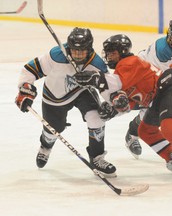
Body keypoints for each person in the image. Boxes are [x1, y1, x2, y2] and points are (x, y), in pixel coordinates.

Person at [74, 34, 172, 183]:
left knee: (168, 126)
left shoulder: (129, 63)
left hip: (170, 87)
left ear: (123, 52)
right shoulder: (122, 71)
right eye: (107, 54)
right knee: (145, 131)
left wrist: (96, 78)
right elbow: (131, 100)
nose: (109, 57)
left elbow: (116, 84)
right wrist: (114, 109)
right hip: (156, 98)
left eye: (112, 53)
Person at [15, 27, 117, 178]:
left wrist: (111, 101)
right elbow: (30, 70)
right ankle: (46, 146)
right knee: (53, 129)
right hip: (55, 95)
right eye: (74, 50)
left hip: (82, 92)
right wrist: (25, 89)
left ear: (89, 49)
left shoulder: (96, 63)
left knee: (96, 117)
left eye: (81, 51)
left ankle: (97, 157)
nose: (77, 54)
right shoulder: (56, 55)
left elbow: (107, 85)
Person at [124, 15, 172, 159]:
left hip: (165, 79)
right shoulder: (162, 51)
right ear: (170, 34)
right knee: (151, 113)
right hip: (143, 79)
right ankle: (132, 135)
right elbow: (160, 80)